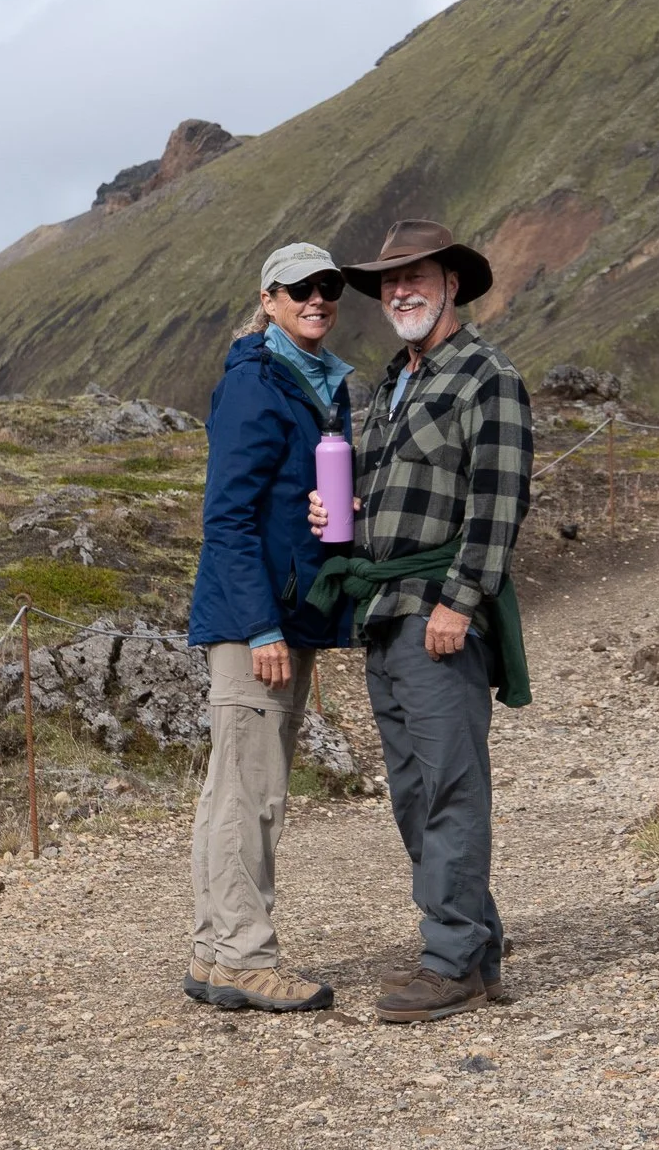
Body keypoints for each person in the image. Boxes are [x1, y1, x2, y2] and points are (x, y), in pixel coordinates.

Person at [305, 219, 533, 1024]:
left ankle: (449, 962)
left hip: (436, 612)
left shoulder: (485, 377)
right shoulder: (391, 384)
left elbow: (497, 503)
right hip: (384, 612)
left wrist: (458, 602)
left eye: (417, 277)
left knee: (449, 787)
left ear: (451, 285)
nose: (399, 290)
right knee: (414, 793)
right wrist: (335, 509)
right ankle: (477, 949)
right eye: (390, 281)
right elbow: (380, 496)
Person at [183, 242, 356, 1013]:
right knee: (253, 791)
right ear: (270, 298)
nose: (317, 299)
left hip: (289, 612)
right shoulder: (258, 383)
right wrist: (259, 626)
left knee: (235, 786)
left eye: (328, 287)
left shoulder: (315, 383)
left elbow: (287, 497)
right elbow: (225, 518)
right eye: (300, 289)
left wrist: (324, 518)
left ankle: (216, 950)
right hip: (259, 621)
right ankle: (248, 957)